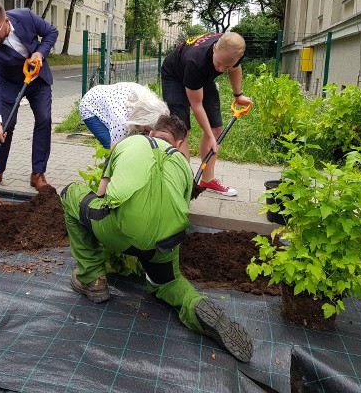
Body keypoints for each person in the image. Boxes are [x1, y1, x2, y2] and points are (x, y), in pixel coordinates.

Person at [61, 115, 254, 363]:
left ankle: (93, 279)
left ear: (152, 132)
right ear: (181, 141)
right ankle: (193, 304)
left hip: (119, 233)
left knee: (71, 193)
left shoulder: (127, 144)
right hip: (165, 244)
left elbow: (102, 194)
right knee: (167, 282)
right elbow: (181, 210)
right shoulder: (183, 164)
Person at [0, 0, 58, 191]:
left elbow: (51, 32)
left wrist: (39, 54)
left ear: (5, 20)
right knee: (5, 126)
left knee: (44, 119)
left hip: (37, 77)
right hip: (9, 83)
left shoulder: (25, 16)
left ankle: (38, 173)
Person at [161, 32, 253, 196]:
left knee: (216, 128)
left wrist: (238, 95)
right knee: (181, 132)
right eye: (219, 63)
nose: (220, 69)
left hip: (203, 77)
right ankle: (182, 184)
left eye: (225, 66)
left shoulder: (232, 52)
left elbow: (235, 68)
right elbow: (196, 105)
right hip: (175, 75)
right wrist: (210, 138)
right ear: (214, 48)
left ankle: (207, 180)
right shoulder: (195, 61)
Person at [79, 82, 170, 149]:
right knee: (117, 150)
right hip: (91, 106)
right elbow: (114, 151)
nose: (149, 135)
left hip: (110, 100)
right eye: (146, 131)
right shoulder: (121, 122)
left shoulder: (155, 107)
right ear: (141, 121)